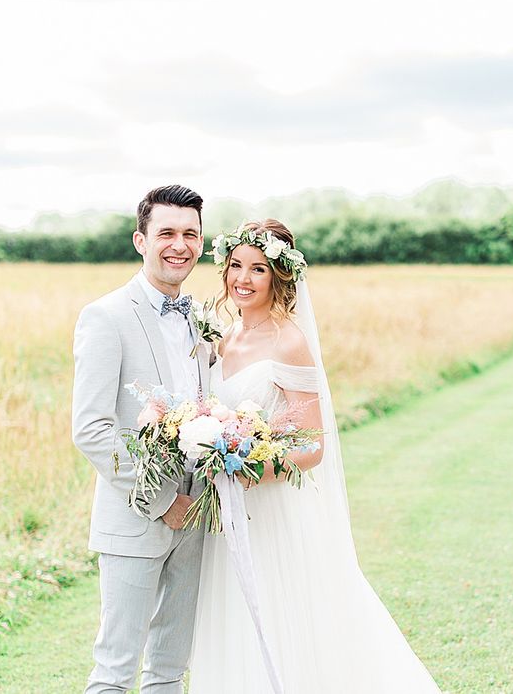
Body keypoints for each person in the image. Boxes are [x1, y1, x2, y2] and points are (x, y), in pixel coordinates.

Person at [189, 219, 441, 693]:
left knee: (291, 617)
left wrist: (248, 469)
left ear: (278, 277)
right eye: (235, 266)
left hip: (273, 507)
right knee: (235, 617)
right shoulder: (221, 337)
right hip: (231, 512)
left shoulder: (289, 340)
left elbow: (311, 445)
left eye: (257, 269)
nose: (241, 278)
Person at [72, 185, 210, 693]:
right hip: (135, 517)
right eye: (166, 233)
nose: (179, 245)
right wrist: (161, 500)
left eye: (190, 234)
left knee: (171, 669)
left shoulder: (199, 317)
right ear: (140, 240)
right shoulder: (106, 316)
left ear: (201, 242)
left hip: (199, 517)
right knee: (115, 670)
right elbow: (90, 428)